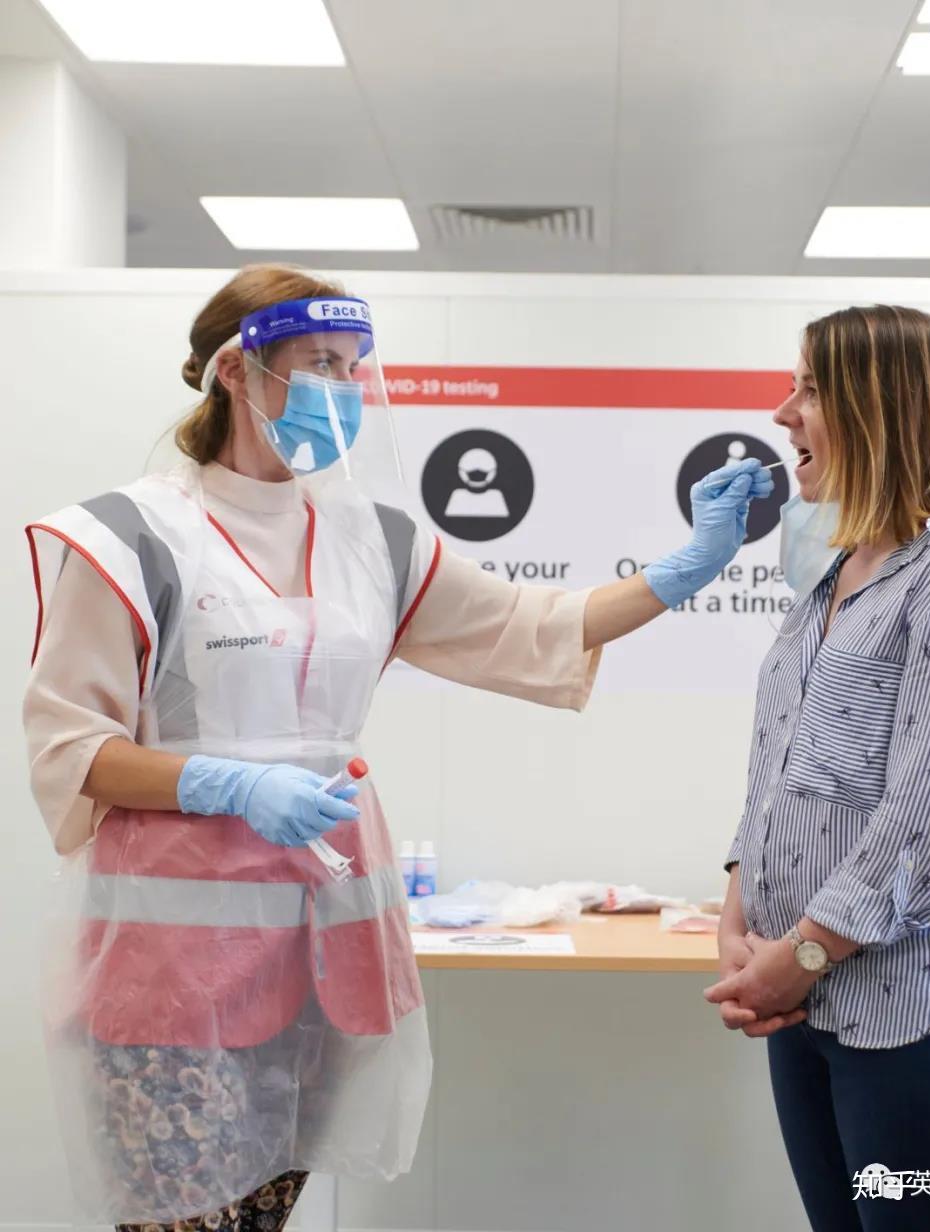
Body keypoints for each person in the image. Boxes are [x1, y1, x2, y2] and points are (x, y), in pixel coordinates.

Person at [23, 265, 772, 1232]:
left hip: (323, 958)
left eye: (353, 368)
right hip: (169, 968)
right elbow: (71, 751)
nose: (342, 389)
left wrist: (685, 569)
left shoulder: (371, 539)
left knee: (265, 1216)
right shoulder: (128, 538)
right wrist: (222, 784)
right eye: (318, 364)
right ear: (235, 373)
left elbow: (534, 625)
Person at [705, 305, 930, 1231]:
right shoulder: (836, 577)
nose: (783, 414)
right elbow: (779, 772)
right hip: (812, 1002)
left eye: (811, 391)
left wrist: (799, 953)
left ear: (881, 408)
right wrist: (739, 914)